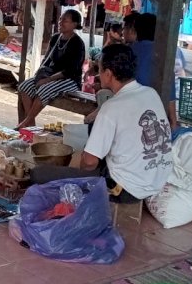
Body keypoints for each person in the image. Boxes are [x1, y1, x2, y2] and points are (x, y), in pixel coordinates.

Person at [31, 44, 173, 202]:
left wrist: (81, 169)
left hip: (125, 190)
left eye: (99, 69)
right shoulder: (151, 93)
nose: (98, 74)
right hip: (157, 181)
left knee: (39, 174)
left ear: (109, 74)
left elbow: (90, 163)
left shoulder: (112, 107)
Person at [17, 10, 86, 128]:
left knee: (43, 90)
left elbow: (70, 71)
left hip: (69, 79)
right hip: (50, 76)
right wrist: (39, 76)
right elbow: (46, 60)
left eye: (65, 20)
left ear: (74, 24)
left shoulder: (77, 43)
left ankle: (25, 123)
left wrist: (47, 80)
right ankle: (30, 125)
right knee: (24, 86)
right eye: (60, 19)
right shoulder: (55, 38)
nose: (61, 22)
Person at [123, 12, 179, 126]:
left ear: (136, 30)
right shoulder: (163, 53)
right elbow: (170, 87)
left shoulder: (128, 52)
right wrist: (173, 120)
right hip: (155, 109)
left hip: (128, 108)